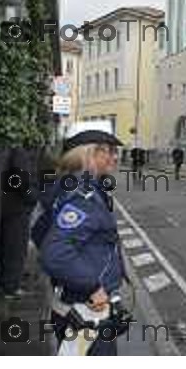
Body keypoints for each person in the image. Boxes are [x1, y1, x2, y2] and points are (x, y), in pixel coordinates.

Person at [35, 128, 126, 356]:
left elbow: (39, 231)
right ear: (90, 154)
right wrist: (92, 286)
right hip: (86, 311)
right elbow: (54, 253)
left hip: (71, 304)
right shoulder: (83, 195)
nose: (115, 157)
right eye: (110, 151)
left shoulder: (66, 184)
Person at [0, 147, 39, 298]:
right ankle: (10, 287)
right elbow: (20, 179)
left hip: (8, 205)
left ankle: (5, 285)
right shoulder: (19, 151)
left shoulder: (9, 150)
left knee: (7, 247)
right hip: (17, 207)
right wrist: (32, 195)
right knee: (15, 248)